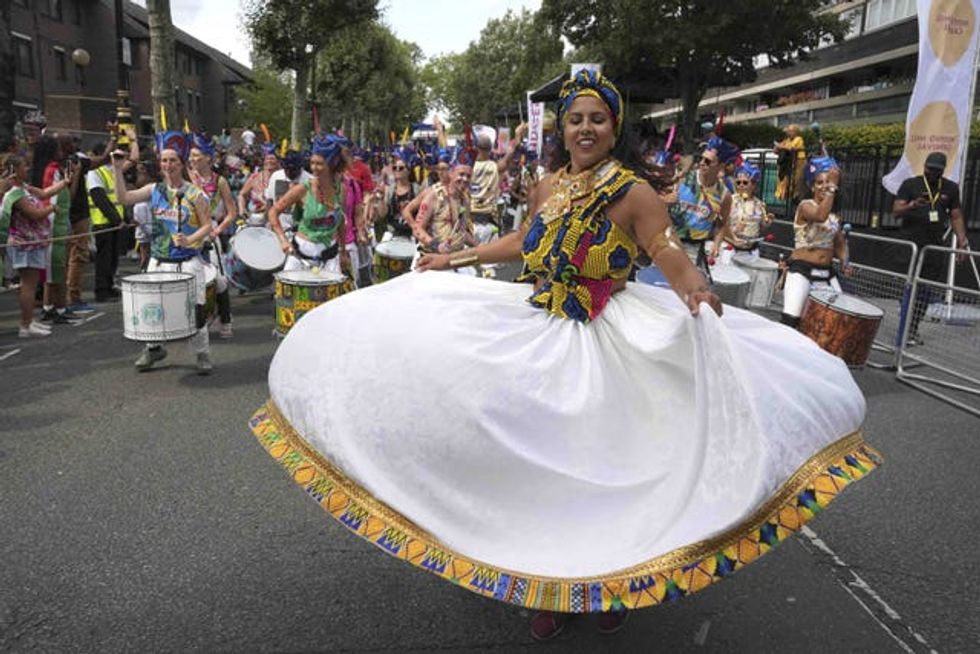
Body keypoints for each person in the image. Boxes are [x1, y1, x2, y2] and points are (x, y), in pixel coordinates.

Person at [248, 70, 876, 642]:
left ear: (614, 128)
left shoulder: (633, 192)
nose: (584, 129)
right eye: (575, 119)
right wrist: (453, 259)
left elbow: (665, 251)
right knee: (512, 442)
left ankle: (599, 582)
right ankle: (533, 568)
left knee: (592, 469)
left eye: (596, 119)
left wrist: (695, 291)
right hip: (536, 318)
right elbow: (524, 241)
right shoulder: (548, 183)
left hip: (605, 335)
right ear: (563, 128)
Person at [111, 130, 215, 374]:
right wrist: (117, 169)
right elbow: (123, 197)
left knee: (196, 311)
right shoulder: (154, 190)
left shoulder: (194, 194)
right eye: (164, 160)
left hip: (188, 262)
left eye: (173, 161)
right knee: (153, 308)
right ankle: (154, 348)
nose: (168, 165)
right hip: (159, 260)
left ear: (182, 164)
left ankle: (202, 354)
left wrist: (189, 239)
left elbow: (208, 225)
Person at [892, 151, 970, 344]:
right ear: (924, 166)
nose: (931, 173)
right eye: (929, 169)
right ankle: (904, 328)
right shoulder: (910, 184)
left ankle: (913, 327)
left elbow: (956, 215)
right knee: (909, 287)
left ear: (942, 170)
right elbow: (896, 212)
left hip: (934, 247)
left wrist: (962, 240)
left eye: (936, 170)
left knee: (925, 290)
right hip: (910, 244)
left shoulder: (950, 188)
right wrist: (911, 205)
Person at [2, 152, 71, 337]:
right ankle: (25, 325)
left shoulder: (24, 187)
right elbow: (34, 213)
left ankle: (30, 320)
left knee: (31, 283)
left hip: (35, 243)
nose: (28, 168)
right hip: (25, 244)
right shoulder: (15, 194)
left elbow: (44, 193)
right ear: (14, 170)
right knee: (28, 285)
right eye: (24, 166)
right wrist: (51, 208)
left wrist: (64, 182)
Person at [779, 156, 850, 328]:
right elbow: (819, 215)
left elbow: (840, 243)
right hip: (802, 271)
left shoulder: (834, 217)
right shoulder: (805, 206)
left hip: (826, 273)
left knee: (837, 321)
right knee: (792, 319)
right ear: (812, 187)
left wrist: (845, 261)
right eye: (820, 183)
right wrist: (833, 187)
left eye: (828, 182)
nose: (825, 186)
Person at [268, 134, 352, 275]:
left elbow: (341, 221)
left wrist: (343, 251)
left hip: (329, 255)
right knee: (287, 294)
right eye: (312, 163)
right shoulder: (302, 189)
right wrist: (283, 240)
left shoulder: (341, 189)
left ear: (332, 164)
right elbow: (273, 212)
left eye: (320, 164)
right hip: (300, 254)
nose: (314, 168)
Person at [188, 132, 236, 338]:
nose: (192, 159)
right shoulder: (186, 178)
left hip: (211, 234)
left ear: (208, 157)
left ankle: (226, 320)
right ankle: (196, 321)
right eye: (191, 155)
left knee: (220, 280)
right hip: (189, 232)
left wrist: (218, 230)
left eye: (197, 155)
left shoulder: (220, 181)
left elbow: (232, 212)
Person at [31, 135, 81, 324]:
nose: (62, 152)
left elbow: (66, 194)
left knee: (53, 269)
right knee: (56, 268)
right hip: (53, 223)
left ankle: (51, 307)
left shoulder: (44, 169)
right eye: (58, 149)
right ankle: (58, 308)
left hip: (56, 221)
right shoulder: (52, 170)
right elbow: (53, 197)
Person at [667, 137, 735, 275]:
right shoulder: (683, 179)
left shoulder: (724, 195)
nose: (702, 163)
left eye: (708, 161)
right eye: (702, 159)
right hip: (669, 242)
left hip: (694, 249)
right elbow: (656, 201)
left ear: (720, 167)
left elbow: (721, 223)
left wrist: (716, 244)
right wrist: (665, 200)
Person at [468, 124, 526, 276]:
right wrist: (518, 135)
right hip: (488, 223)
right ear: (491, 147)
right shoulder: (496, 167)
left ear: (476, 147)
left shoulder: (466, 169)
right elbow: (510, 154)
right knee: (488, 269)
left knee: (469, 268)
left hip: (469, 224)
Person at [410, 160, 478, 263]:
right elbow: (417, 229)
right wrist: (436, 245)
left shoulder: (465, 200)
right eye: (461, 174)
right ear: (451, 174)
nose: (465, 179)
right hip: (432, 259)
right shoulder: (434, 196)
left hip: (455, 259)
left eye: (468, 176)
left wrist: (478, 246)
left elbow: (461, 231)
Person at [87, 141, 128, 303]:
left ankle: (109, 286)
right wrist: (117, 219)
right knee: (103, 259)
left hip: (115, 222)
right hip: (102, 222)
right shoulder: (94, 172)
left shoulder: (112, 172)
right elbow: (99, 198)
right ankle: (101, 291)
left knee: (113, 258)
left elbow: (119, 198)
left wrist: (124, 219)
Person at [712, 161, 772, 259]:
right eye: (738, 182)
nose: (741, 185)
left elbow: (760, 228)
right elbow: (720, 224)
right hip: (730, 250)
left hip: (751, 252)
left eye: (745, 182)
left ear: (754, 185)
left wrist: (767, 224)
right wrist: (733, 234)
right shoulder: (729, 200)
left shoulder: (760, 205)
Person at [265, 150, 311, 238]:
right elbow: (269, 200)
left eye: (293, 170)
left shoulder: (309, 180)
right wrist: (269, 222)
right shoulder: (276, 176)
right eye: (287, 169)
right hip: (278, 229)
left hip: (302, 232)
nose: (289, 172)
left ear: (300, 167)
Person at [238, 148, 279, 224]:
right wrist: (242, 209)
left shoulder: (282, 177)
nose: (269, 161)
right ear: (264, 161)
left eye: (272, 159)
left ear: (277, 162)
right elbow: (242, 195)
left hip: (275, 218)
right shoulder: (255, 177)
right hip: (255, 217)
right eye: (267, 159)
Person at [774, 124, 806, 201]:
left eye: (791, 131)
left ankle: (795, 196)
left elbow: (791, 147)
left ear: (796, 132)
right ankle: (784, 196)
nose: (789, 133)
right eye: (788, 131)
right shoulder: (787, 140)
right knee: (784, 180)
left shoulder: (799, 139)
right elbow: (776, 149)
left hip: (798, 162)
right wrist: (778, 147)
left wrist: (780, 146)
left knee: (797, 180)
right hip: (788, 164)